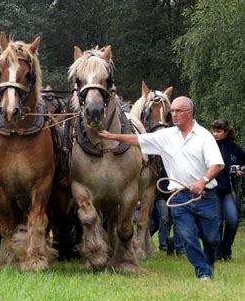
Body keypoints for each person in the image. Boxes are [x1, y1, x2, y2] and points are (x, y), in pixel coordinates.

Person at [99, 96, 224, 281]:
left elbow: (217, 164)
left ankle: (208, 261)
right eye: (171, 111)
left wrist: (202, 181)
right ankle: (203, 272)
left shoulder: (204, 136)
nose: (173, 114)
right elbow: (138, 139)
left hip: (205, 196)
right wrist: (114, 136)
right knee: (188, 238)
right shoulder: (167, 136)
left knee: (212, 239)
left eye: (178, 111)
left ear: (189, 113)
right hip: (179, 196)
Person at [211, 119, 245, 261]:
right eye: (214, 131)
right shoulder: (208, 146)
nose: (215, 134)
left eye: (218, 131)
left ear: (225, 132)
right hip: (212, 190)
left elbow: (243, 166)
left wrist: (239, 170)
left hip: (228, 190)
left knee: (232, 220)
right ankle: (217, 253)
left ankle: (227, 250)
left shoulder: (234, 148)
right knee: (217, 222)